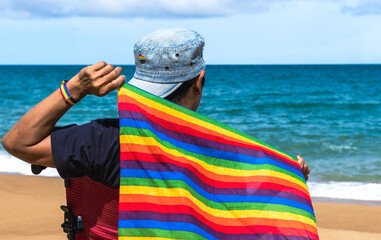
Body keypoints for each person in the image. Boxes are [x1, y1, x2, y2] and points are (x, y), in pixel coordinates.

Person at [2, 28, 310, 191]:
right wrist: (289, 179)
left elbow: (17, 142)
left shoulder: (104, 141)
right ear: (199, 82)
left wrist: (76, 89)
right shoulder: (226, 154)